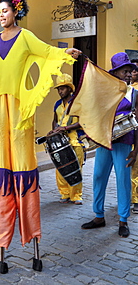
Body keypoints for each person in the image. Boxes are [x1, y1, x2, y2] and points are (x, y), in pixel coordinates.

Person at [0, 0, 81, 270]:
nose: (1, 16)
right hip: (0, 106)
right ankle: (3, 231)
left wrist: (67, 52)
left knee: (23, 162)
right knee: (3, 162)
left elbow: (48, 51)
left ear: (16, 12)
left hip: (19, 107)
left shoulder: (25, 37)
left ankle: (31, 231)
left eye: (5, 11)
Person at [81, 52, 138, 238]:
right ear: (114, 73)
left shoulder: (135, 93)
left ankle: (123, 220)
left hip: (124, 143)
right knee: (98, 176)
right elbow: (93, 115)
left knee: (123, 181)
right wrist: (68, 126)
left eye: (130, 71)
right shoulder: (104, 93)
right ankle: (99, 216)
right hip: (104, 142)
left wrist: (136, 150)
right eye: (125, 71)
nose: (129, 74)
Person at [50, 74, 84, 204]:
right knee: (60, 168)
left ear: (70, 89)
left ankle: (76, 196)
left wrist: (65, 128)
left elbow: (83, 122)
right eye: (59, 89)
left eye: (63, 88)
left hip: (76, 140)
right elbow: (54, 120)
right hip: (60, 142)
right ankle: (65, 194)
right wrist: (54, 131)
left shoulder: (78, 103)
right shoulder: (57, 104)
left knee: (75, 168)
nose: (60, 91)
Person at [130, 60, 138, 213]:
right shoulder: (125, 89)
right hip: (127, 133)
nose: (133, 73)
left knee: (136, 168)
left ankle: (136, 199)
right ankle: (129, 197)